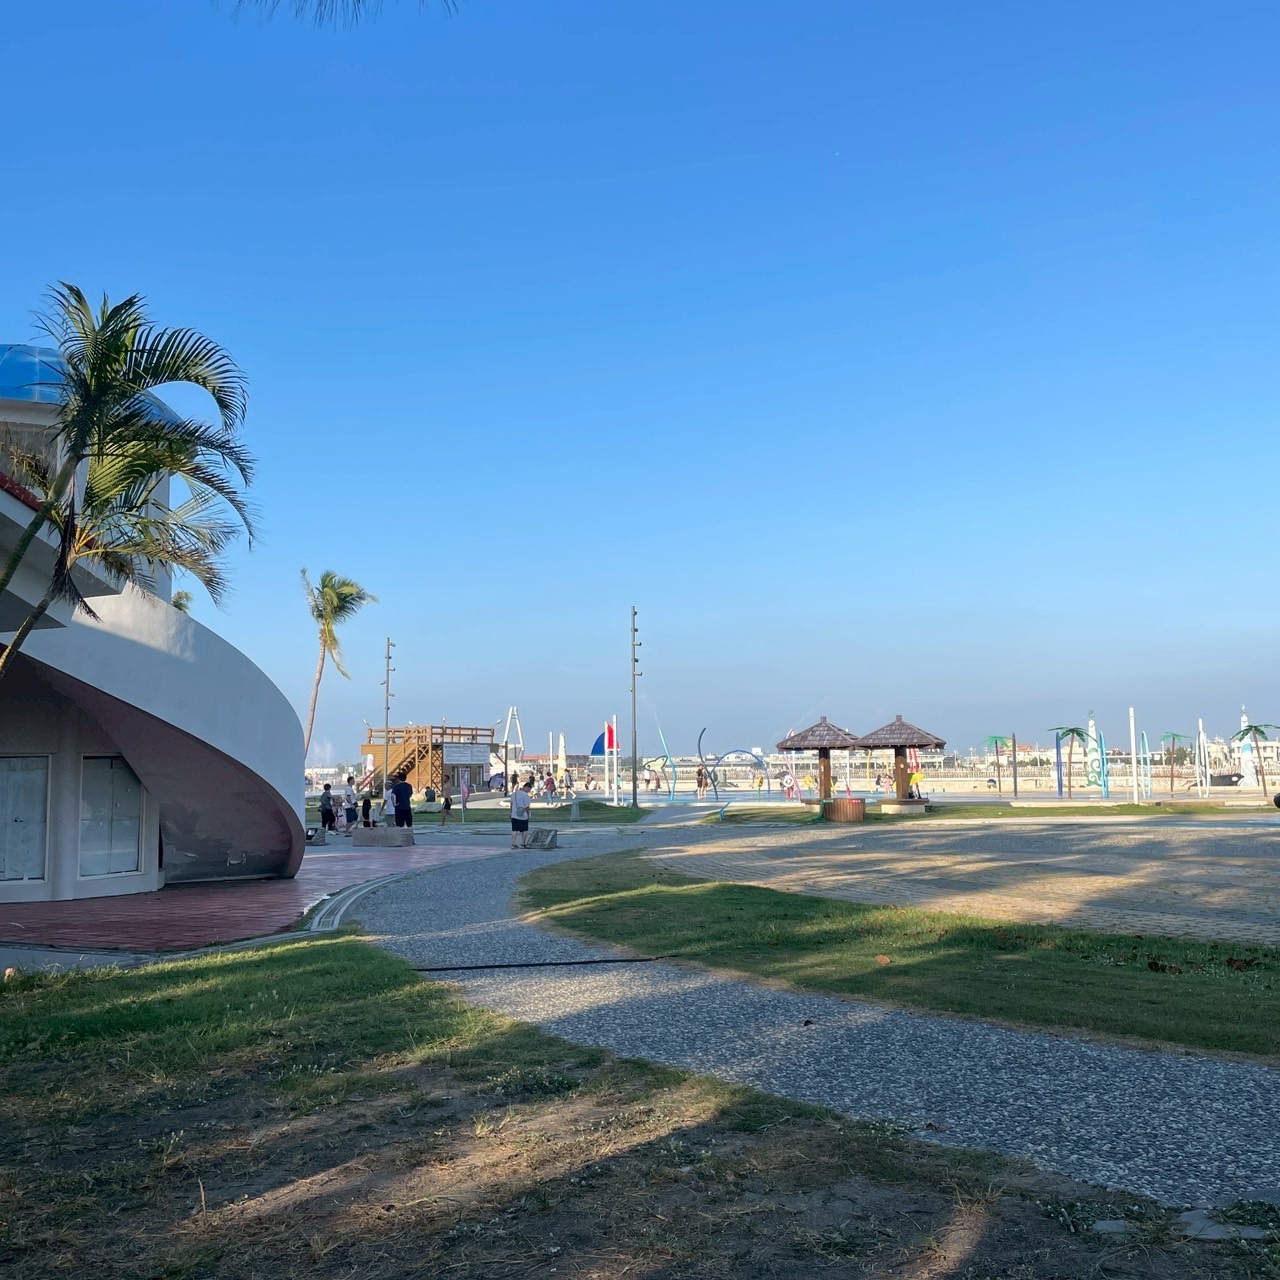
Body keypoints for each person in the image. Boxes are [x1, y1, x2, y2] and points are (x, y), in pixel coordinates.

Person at [510, 781, 533, 849]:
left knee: (514, 830)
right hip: (523, 816)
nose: (529, 791)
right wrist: (528, 814)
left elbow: (511, 804)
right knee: (524, 830)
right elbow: (527, 806)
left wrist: (511, 813)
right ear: (526, 787)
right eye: (529, 789)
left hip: (514, 814)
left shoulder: (514, 794)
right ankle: (523, 843)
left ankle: (514, 843)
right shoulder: (525, 795)